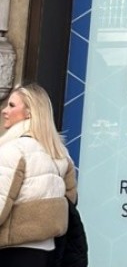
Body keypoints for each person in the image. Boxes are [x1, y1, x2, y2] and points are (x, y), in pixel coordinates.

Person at [0, 82, 77, 267]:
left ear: (29, 112)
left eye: (12, 105)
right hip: (49, 251)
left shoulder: (14, 150)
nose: (4, 111)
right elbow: (71, 200)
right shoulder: (60, 153)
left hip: (12, 251)